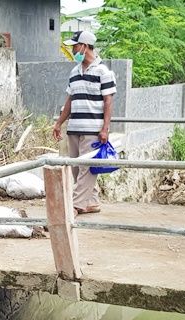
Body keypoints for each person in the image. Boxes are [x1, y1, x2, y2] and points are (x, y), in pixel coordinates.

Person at [52, 30, 116, 215]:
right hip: (74, 128)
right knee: (76, 169)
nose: (73, 50)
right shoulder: (74, 72)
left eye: (75, 46)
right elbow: (70, 100)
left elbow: (108, 101)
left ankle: (75, 206)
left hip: (92, 129)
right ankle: (92, 202)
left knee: (86, 169)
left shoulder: (103, 71)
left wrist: (105, 128)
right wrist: (59, 123)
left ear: (85, 46)